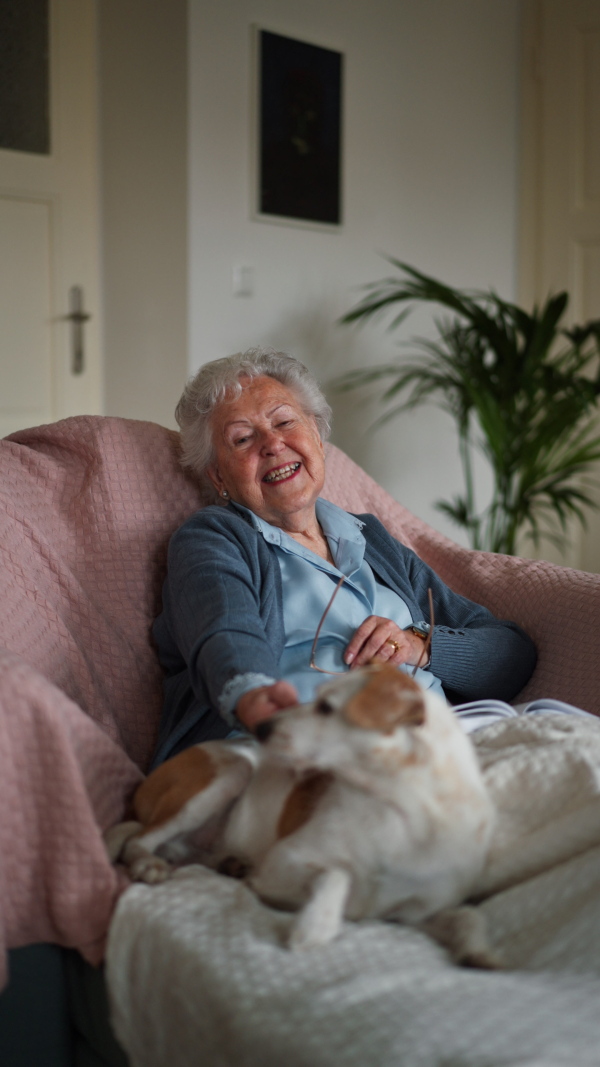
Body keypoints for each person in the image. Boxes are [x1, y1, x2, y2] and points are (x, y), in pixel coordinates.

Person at [151, 348, 537, 767]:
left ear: (316, 435)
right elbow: (223, 631)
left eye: (284, 422)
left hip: (443, 746)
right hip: (308, 756)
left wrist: (418, 645)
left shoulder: (371, 539)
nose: (273, 444)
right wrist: (255, 698)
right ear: (218, 476)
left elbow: (510, 656)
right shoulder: (213, 538)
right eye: (242, 439)